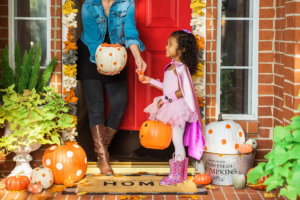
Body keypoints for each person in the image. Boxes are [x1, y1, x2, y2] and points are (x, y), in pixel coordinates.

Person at [77, 0, 147, 176]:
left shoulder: (127, 4)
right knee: (96, 106)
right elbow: (93, 41)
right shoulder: (88, 6)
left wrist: (138, 57)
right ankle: (103, 158)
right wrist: (103, 64)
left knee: (119, 103)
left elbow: (130, 33)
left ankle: (103, 147)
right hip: (91, 55)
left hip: (116, 53)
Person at [139, 30, 205, 185]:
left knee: (177, 140)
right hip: (172, 105)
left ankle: (177, 176)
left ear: (181, 50)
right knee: (176, 140)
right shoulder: (172, 67)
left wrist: (166, 100)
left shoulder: (181, 68)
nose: (166, 46)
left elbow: (184, 91)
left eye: (170, 44)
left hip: (177, 109)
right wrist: (151, 81)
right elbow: (167, 88)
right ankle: (178, 174)